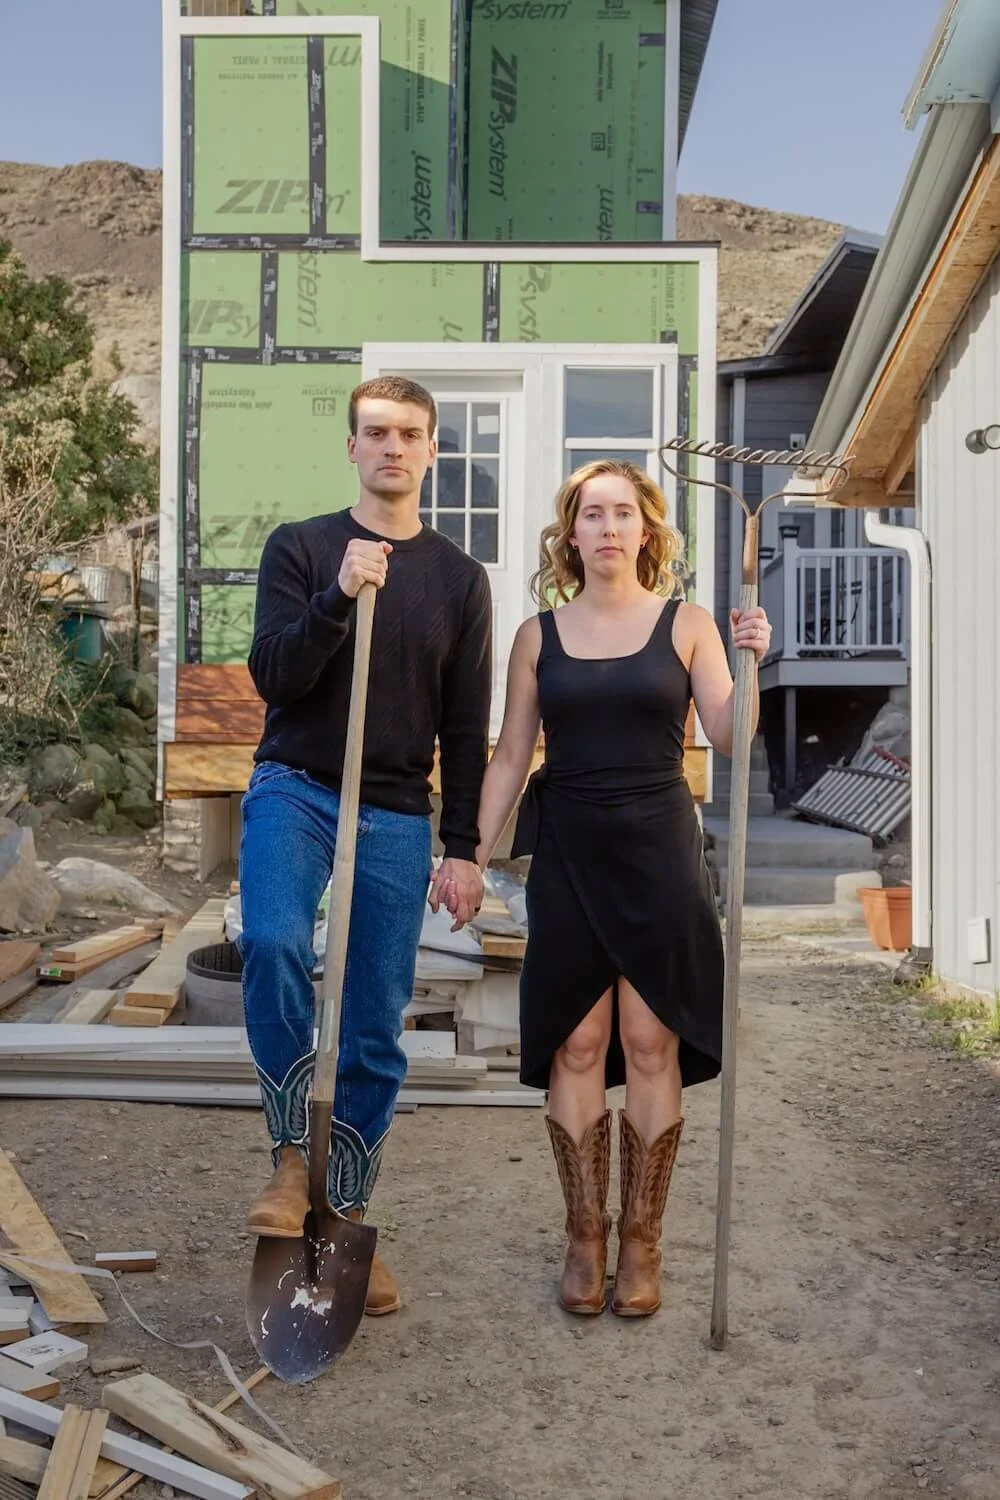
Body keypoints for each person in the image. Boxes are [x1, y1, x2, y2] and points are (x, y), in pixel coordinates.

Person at [469, 458, 771, 1318]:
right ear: (571, 533)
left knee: (648, 1040)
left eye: (622, 513)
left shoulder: (689, 625)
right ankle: (583, 1237)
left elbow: (729, 734)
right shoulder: (538, 636)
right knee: (576, 1041)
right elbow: (509, 755)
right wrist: (466, 856)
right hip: (569, 849)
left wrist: (752, 661)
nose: (607, 527)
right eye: (592, 513)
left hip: (660, 852)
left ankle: (641, 1240)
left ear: (647, 530)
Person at [240, 375, 491, 1316]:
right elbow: (275, 675)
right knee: (272, 940)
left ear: (432, 451)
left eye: (409, 434)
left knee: (375, 1022)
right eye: (376, 432)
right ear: (351, 446)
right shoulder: (302, 548)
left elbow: (466, 725)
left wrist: (462, 847)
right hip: (297, 787)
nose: (392, 447)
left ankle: (341, 1212)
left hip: (394, 808)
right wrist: (339, 595)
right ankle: (290, 1158)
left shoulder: (459, 579)